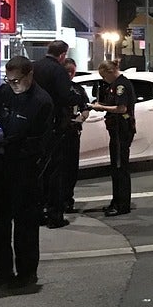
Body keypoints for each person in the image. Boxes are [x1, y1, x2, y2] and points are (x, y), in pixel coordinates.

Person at [0, 55, 53, 289]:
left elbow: (41, 144)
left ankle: (27, 272)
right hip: (1, 168)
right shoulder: (5, 92)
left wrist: (8, 144)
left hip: (26, 170)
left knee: (25, 225)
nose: (13, 85)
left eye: (17, 80)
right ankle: (1, 270)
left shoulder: (41, 101)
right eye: (9, 80)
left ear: (30, 75)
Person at [31, 40, 73, 229]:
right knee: (55, 172)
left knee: (38, 172)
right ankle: (55, 215)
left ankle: (38, 212)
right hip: (54, 126)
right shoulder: (58, 71)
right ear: (62, 55)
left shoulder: (34, 67)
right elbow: (65, 96)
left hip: (35, 127)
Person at [91, 60, 136, 217]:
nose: (104, 79)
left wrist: (101, 107)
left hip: (120, 130)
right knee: (116, 169)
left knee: (120, 168)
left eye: (104, 76)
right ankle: (116, 201)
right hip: (116, 130)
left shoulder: (120, 85)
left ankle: (122, 205)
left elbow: (121, 108)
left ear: (110, 72)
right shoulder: (115, 85)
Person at [60, 58, 88, 213]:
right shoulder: (55, 88)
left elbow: (85, 108)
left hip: (72, 132)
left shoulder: (78, 89)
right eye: (67, 71)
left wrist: (82, 117)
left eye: (72, 71)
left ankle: (67, 200)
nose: (70, 74)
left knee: (71, 169)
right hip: (58, 133)